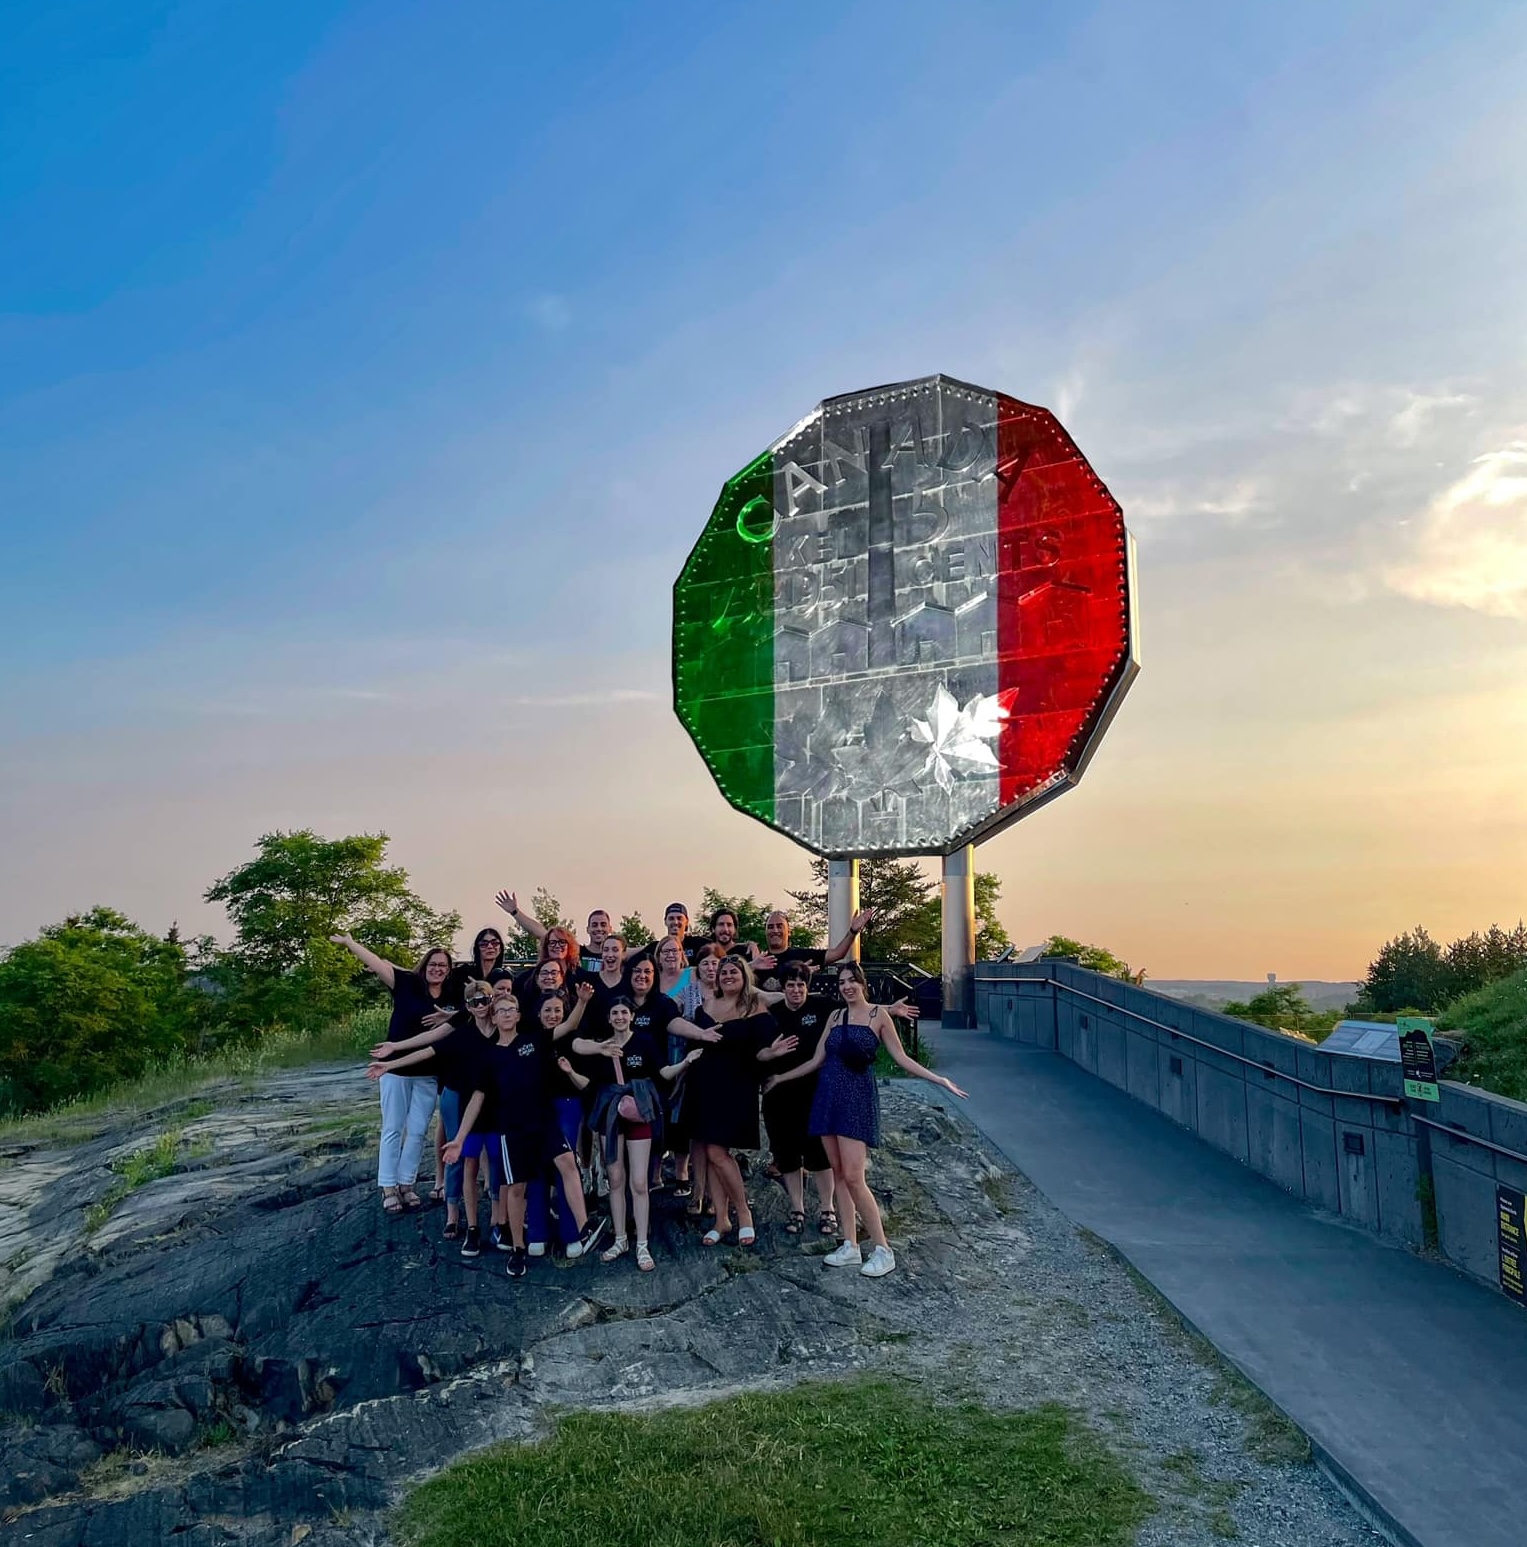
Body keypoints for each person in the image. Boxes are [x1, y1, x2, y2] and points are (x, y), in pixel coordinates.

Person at [764, 961, 965, 1278]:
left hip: (856, 1100)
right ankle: (850, 1244)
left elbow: (901, 1058)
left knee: (855, 1177)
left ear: (862, 984)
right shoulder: (834, 1016)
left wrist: (937, 1080)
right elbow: (817, 1060)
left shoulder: (878, 1016)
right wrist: (781, 1078)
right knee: (840, 1175)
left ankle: (884, 1249)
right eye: (842, 982)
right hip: (827, 1098)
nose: (846, 987)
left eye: (851, 981)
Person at [442, 992, 606, 1277]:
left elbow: (567, 1027)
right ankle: (518, 1248)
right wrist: (458, 1138)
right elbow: (477, 1099)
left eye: (512, 1009)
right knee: (517, 1189)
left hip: (544, 1121)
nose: (506, 1014)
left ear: (519, 1015)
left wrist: (581, 1002)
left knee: (568, 1162)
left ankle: (584, 1226)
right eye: (501, 1010)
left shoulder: (535, 1040)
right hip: (512, 1130)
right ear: (494, 1017)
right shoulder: (489, 1056)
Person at [568, 994, 702, 1270]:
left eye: (624, 1013)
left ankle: (642, 1242)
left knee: (639, 1182)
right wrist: (582, 1062)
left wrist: (686, 1061)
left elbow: (663, 1072)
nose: (619, 1017)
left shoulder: (644, 1041)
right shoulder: (601, 1046)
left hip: (638, 1109)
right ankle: (620, 1238)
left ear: (631, 1016)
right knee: (615, 1178)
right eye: (614, 1013)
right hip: (610, 1112)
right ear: (609, 1018)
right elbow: (584, 1064)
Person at [332, 933, 456, 1215]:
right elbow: (377, 964)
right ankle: (388, 1187)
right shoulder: (407, 984)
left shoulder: (450, 995)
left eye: (443, 966)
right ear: (424, 966)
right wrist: (351, 943)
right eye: (433, 964)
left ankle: (406, 1184)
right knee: (393, 1128)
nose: (438, 969)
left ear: (448, 970)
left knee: (417, 1131)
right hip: (396, 1068)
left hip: (428, 1073)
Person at [367, 976, 497, 1241]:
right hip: (456, 1095)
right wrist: (391, 1064)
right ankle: (452, 1213)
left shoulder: (503, 1030)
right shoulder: (461, 1033)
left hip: (488, 1098)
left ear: (492, 1001)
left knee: (489, 1154)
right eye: (474, 1002)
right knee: (455, 1154)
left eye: (484, 999)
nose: (480, 1005)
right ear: (468, 1006)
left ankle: (497, 1216)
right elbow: (429, 1049)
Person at [686, 955, 799, 1247]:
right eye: (724, 972)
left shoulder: (753, 1007)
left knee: (717, 1152)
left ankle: (744, 1213)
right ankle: (721, 1220)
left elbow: (760, 1052)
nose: (728, 976)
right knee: (711, 1153)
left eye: (734, 971)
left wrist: (772, 1054)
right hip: (703, 1084)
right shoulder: (704, 1007)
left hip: (736, 1086)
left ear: (745, 976)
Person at [763, 964, 838, 1236]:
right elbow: (757, 1052)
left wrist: (891, 1011)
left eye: (801, 985)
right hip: (779, 1094)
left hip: (815, 1091)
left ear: (808, 987)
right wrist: (770, 1054)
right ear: (782, 988)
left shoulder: (822, 1008)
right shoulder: (772, 1014)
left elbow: (860, 1006)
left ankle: (827, 1209)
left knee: (819, 1154)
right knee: (787, 1155)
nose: (796, 990)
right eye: (791, 985)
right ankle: (797, 1209)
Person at [751, 908, 875, 994]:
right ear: (766, 931)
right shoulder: (758, 960)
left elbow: (838, 953)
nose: (775, 930)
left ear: (789, 931)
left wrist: (853, 932)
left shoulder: (804, 956)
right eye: (770, 927)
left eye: (779, 926)